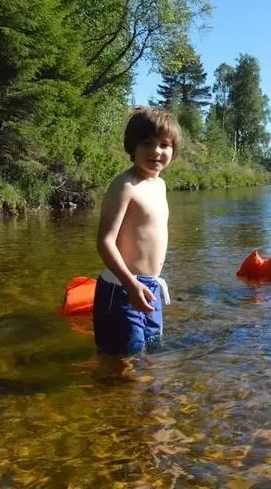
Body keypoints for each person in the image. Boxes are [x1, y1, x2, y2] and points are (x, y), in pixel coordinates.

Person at [93, 106, 180, 359]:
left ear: (173, 150)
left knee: (151, 356)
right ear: (132, 147)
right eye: (147, 143)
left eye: (164, 144)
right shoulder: (125, 186)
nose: (156, 151)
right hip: (122, 288)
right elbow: (105, 241)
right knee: (122, 362)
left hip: (150, 287)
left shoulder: (160, 185)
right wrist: (130, 284)